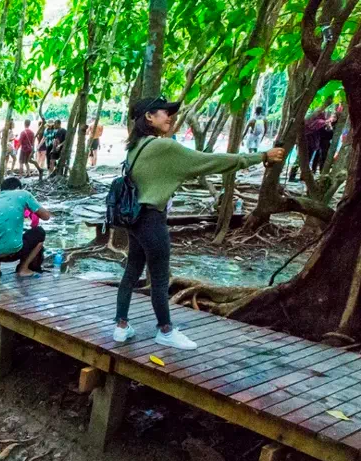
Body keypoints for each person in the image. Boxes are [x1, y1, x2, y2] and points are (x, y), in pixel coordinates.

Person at [112, 97, 285, 350]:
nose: (170, 117)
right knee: (160, 278)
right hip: (152, 219)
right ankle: (165, 330)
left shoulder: (134, 148)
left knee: (132, 272)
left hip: (134, 220)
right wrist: (261, 156)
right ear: (149, 117)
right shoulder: (163, 148)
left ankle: (121, 327)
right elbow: (210, 161)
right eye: (165, 112)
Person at [0, 176, 51, 278]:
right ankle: (23, 268)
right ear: (18, 188)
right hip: (13, 252)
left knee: (0, 232)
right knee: (39, 232)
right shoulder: (23, 194)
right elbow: (46, 217)